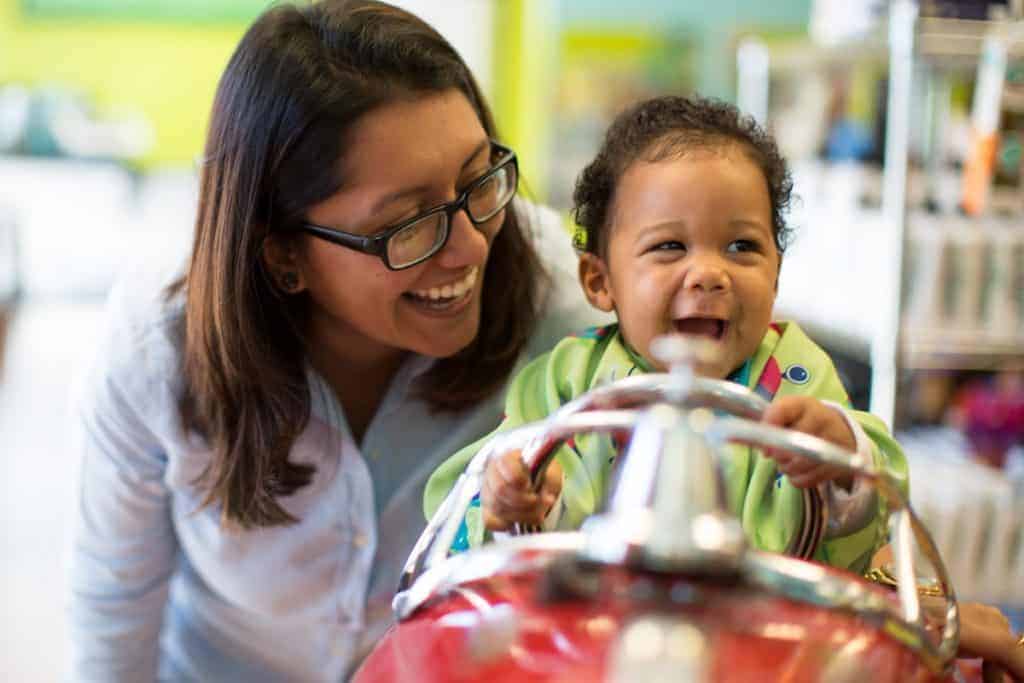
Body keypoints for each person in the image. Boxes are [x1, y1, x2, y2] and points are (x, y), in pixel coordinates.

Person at [66, 1, 605, 680]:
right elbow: (114, 607)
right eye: (409, 222)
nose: (471, 246)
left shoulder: (556, 301)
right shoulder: (160, 348)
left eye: (477, 180)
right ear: (283, 256)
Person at [425, 95, 908, 573]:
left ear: (776, 274)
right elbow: (480, 492)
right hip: (591, 632)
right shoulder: (566, 381)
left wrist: (840, 457)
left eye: (742, 247)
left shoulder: (796, 378)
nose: (708, 273)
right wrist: (515, 493)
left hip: (761, 633)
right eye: (670, 246)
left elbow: (874, 497)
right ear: (600, 281)